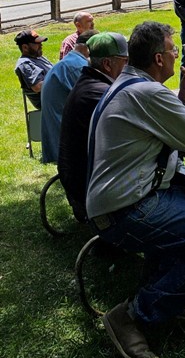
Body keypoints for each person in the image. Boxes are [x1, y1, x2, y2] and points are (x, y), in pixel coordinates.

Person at [86, 21, 185, 358]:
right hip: (127, 209)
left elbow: (168, 127)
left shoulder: (130, 85)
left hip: (128, 198)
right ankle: (133, 314)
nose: (178, 55)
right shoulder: (145, 93)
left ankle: (164, 299)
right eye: (174, 50)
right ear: (159, 58)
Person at [58, 32, 128, 223]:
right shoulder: (101, 94)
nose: (130, 68)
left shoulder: (90, 83)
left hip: (82, 184)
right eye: (125, 61)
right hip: (91, 196)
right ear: (107, 64)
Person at [40, 29, 95, 163]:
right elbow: (95, 102)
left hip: (55, 135)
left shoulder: (69, 61)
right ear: (89, 49)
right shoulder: (79, 67)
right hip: (66, 141)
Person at [14, 29, 54, 109]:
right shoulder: (25, 64)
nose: (41, 45)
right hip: (50, 104)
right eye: (37, 43)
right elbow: (37, 86)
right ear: (25, 47)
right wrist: (61, 78)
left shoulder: (39, 57)